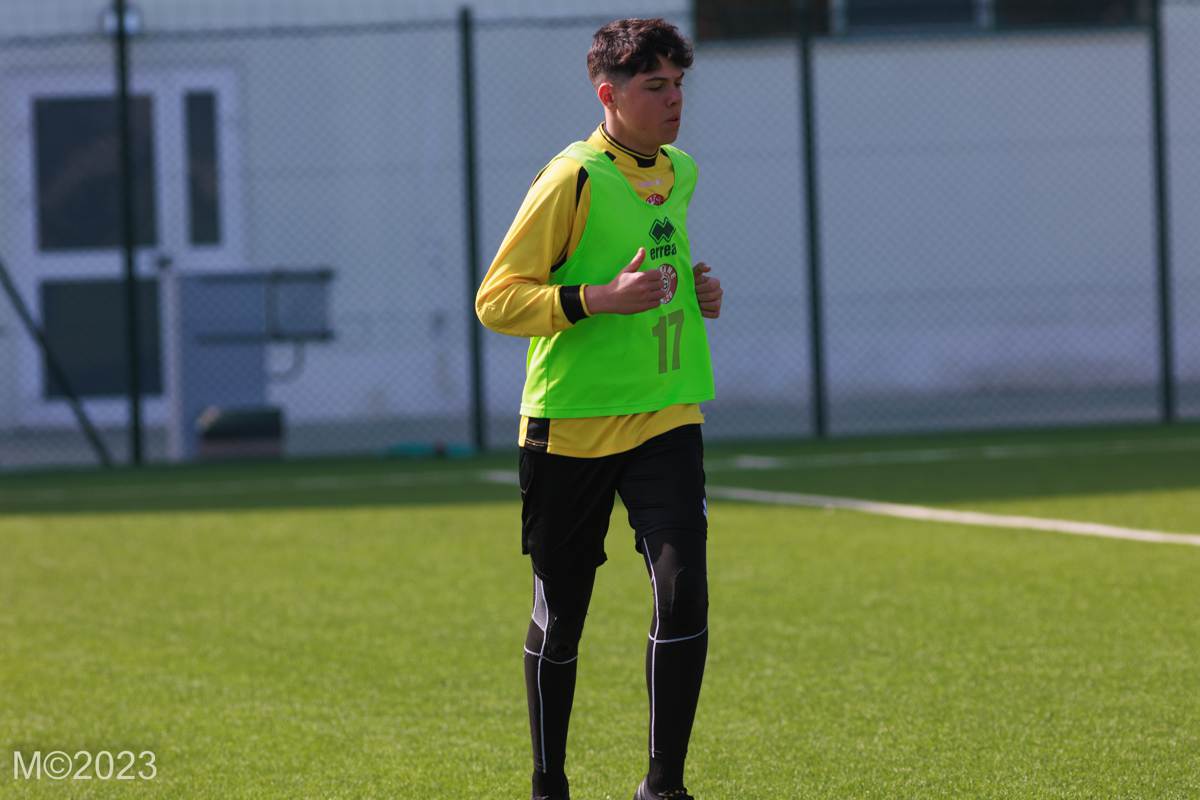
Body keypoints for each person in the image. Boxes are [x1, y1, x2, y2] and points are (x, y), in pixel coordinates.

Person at [475, 17, 723, 800]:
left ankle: (664, 786)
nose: (674, 99)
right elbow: (496, 300)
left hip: (665, 415)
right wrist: (597, 299)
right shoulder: (571, 179)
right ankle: (549, 783)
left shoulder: (680, 172)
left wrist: (697, 290)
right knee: (563, 614)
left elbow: (655, 262)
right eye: (655, 86)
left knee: (683, 590)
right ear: (609, 95)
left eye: (678, 84)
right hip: (570, 428)